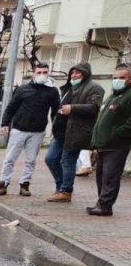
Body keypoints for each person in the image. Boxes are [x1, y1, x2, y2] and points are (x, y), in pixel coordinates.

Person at [0, 62, 59, 197]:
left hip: (38, 131)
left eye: (45, 72)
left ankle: (24, 185)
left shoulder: (52, 91)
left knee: (30, 160)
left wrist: (56, 127)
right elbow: (11, 107)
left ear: (48, 73)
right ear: (33, 73)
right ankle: (3, 184)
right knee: (10, 158)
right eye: (39, 72)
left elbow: (55, 111)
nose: (42, 75)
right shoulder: (23, 89)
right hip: (19, 129)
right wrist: (4, 123)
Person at [45, 63, 104, 202]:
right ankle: (61, 188)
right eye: (72, 73)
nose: (74, 75)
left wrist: (73, 108)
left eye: (78, 73)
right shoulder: (70, 88)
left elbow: (94, 107)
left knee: (67, 161)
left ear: (85, 73)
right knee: (50, 159)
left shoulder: (94, 88)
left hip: (76, 132)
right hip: (60, 132)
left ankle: (66, 191)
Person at [86, 63, 131, 216]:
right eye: (115, 77)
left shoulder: (129, 95)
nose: (118, 80)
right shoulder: (113, 95)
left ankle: (105, 206)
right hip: (103, 143)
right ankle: (101, 203)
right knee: (101, 176)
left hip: (117, 145)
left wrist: (115, 134)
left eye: (122, 78)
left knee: (110, 177)